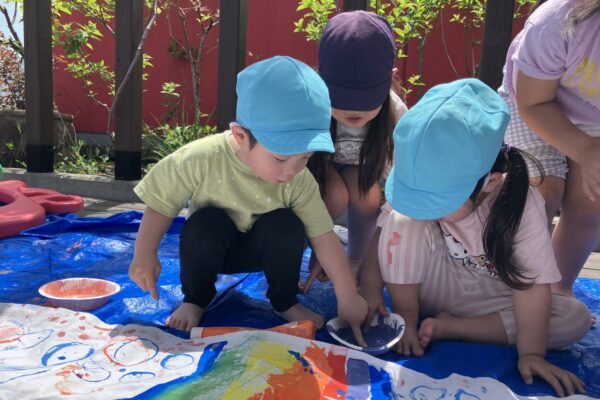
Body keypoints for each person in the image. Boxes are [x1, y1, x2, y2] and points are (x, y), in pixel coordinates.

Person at [360, 79, 592, 397]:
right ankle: (408, 317)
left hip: (489, 301)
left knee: (574, 317)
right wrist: (371, 290)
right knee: (403, 218)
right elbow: (384, 235)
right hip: (429, 287)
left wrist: (532, 354)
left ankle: (451, 328)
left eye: (438, 201)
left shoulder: (521, 205)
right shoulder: (422, 180)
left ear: (490, 182)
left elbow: (531, 286)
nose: (427, 209)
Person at [128, 56, 368, 345]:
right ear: (241, 136)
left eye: (305, 157)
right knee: (205, 223)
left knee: (287, 223)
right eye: (280, 158)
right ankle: (196, 299)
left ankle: (284, 301)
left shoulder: (298, 179)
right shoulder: (201, 158)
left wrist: (348, 296)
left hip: (265, 253)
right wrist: (144, 253)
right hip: (214, 251)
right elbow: (160, 203)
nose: (291, 170)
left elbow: (324, 236)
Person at [499, 0, 600, 296]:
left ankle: (558, 288)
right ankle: (510, 286)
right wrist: (585, 150)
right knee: (540, 190)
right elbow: (533, 104)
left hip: (592, 116)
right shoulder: (554, 22)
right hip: (532, 104)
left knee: (592, 198)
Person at [303, 11, 408, 292]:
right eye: (341, 98)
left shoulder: (395, 113)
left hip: (362, 171)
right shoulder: (308, 103)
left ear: (390, 80)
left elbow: (399, 183)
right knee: (333, 195)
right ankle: (314, 253)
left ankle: (355, 259)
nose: (352, 109)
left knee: (367, 194)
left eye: (365, 100)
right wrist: (323, 245)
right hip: (316, 172)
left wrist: (371, 262)